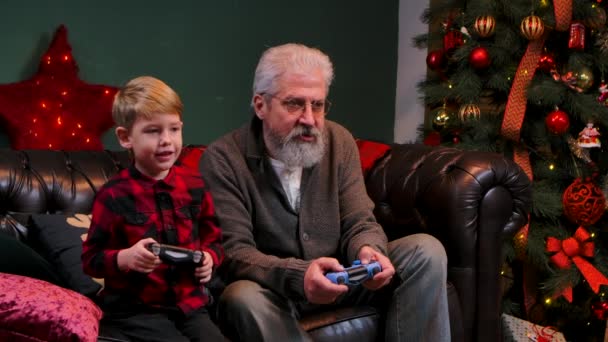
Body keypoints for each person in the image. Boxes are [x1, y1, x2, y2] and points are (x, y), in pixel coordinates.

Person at [200, 43, 450, 341]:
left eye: (317, 105)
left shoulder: (338, 140)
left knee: (425, 250)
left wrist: (368, 251)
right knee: (241, 297)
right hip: (275, 291)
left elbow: (359, 220)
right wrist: (299, 275)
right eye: (294, 104)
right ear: (260, 105)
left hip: (341, 279)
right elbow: (234, 253)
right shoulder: (222, 159)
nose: (309, 119)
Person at [82, 76, 225, 342]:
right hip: (136, 311)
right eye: (153, 131)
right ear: (126, 137)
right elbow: (91, 260)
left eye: (174, 129)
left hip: (190, 306)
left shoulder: (195, 185)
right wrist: (125, 258)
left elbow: (214, 239)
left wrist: (209, 259)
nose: (167, 141)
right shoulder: (113, 194)